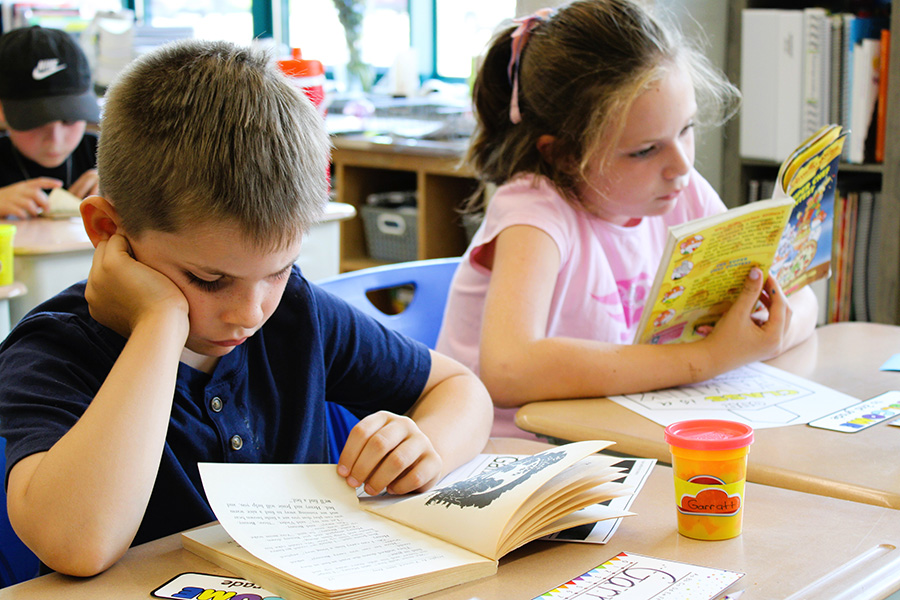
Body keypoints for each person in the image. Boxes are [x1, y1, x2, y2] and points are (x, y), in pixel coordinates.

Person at [0, 39, 493, 577]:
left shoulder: (296, 313)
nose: (249, 313)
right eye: (209, 279)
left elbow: (459, 389)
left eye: (278, 271)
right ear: (107, 230)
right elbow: (79, 544)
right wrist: (160, 323)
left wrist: (425, 450)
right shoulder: (53, 352)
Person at [435, 0, 818, 438]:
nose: (680, 164)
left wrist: (762, 338)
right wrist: (710, 358)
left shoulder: (681, 190)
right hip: (514, 460)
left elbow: (801, 298)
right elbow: (507, 370)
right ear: (562, 154)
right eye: (644, 150)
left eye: (686, 129)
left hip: (624, 440)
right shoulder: (534, 211)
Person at [0, 26, 100, 219]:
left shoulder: (106, 156)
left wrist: (126, 194)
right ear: (1, 110)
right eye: (35, 121)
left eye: (69, 119)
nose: (55, 140)